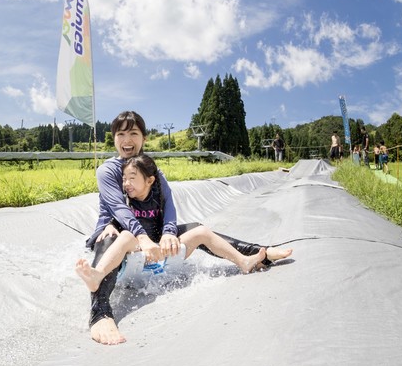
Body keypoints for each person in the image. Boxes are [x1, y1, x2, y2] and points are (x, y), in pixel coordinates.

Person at [79, 111, 293, 345]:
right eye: (121, 134)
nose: (127, 140)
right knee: (111, 236)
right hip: (118, 230)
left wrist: (169, 232)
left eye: (133, 133)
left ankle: (255, 253)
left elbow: (168, 204)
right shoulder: (108, 170)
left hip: (151, 232)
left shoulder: (152, 171)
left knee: (199, 229)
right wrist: (141, 237)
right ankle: (100, 313)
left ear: (144, 138)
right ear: (114, 138)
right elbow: (120, 209)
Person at [76, 154, 267, 293]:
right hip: (136, 256)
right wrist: (110, 224)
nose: (126, 184)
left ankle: (243, 261)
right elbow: (118, 215)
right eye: (124, 179)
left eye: (132, 178)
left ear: (150, 180)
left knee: (201, 231)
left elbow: (170, 216)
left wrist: (168, 237)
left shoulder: (159, 194)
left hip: (160, 252)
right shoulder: (125, 200)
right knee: (126, 235)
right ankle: (98, 275)